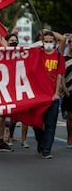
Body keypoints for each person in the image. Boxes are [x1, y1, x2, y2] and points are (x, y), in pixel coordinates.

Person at [33, 30, 65, 159]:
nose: (48, 44)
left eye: (50, 41)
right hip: (39, 96)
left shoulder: (59, 56)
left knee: (51, 124)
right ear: (42, 42)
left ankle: (46, 150)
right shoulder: (37, 55)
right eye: (45, 42)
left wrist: (56, 93)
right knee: (37, 123)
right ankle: (41, 143)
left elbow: (59, 76)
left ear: (55, 42)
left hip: (52, 96)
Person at [4, 34, 30, 148]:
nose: (14, 42)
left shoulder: (22, 53)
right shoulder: (3, 54)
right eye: (11, 40)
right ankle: (10, 136)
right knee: (14, 117)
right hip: (11, 89)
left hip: (22, 88)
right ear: (7, 42)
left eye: (15, 40)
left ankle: (24, 140)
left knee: (26, 117)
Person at [62, 38, 72, 148]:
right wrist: (65, 89)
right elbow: (62, 76)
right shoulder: (64, 59)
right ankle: (70, 138)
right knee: (70, 117)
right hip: (69, 91)